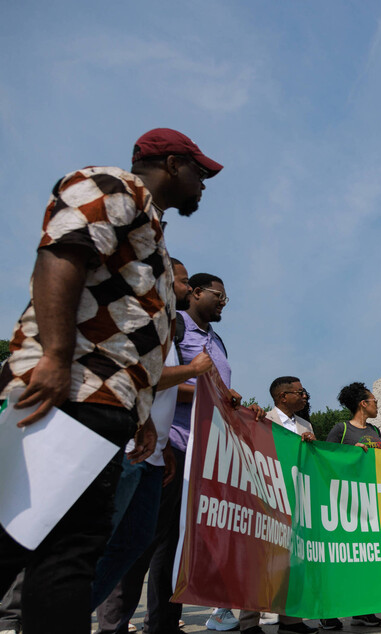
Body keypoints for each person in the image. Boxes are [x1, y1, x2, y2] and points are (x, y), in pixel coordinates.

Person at [0, 127, 219, 634]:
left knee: (69, 551)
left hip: (108, 403)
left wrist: (141, 413)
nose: (204, 183)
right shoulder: (111, 185)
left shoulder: (155, 238)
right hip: (70, 390)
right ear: (170, 164)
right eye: (199, 172)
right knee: (17, 536)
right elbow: (61, 253)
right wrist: (54, 356)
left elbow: (132, 335)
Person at [100, 272, 257, 634]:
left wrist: (233, 406)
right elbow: (156, 378)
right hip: (166, 444)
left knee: (174, 546)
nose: (223, 302)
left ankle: (165, 624)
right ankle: (112, 624)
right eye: (219, 295)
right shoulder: (176, 328)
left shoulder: (216, 340)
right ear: (196, 293)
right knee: (140, 539)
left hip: (200, 453)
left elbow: (217, 390)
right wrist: (212, 395)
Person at [237, 377, 317, 634]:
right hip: (267, 502)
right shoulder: (261, 420)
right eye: (300, 392)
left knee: (292, 564)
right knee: (259, 565)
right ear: (283, 397)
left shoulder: (305, 425)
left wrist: (311, 446)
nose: (305, 396)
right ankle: (249, 623)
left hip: (296, 503)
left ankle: (290, 620)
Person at [322, 382, 381, 629]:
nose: (377, 404)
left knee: (367, 561)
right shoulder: (340, 429)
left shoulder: (375, 430)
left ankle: (363, 610)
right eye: (374, 400)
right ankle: (329, 612)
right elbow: (325, 459)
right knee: (340, 562)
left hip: (369, 506)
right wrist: (349, 452)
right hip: (343, 506)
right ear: (363, 404)